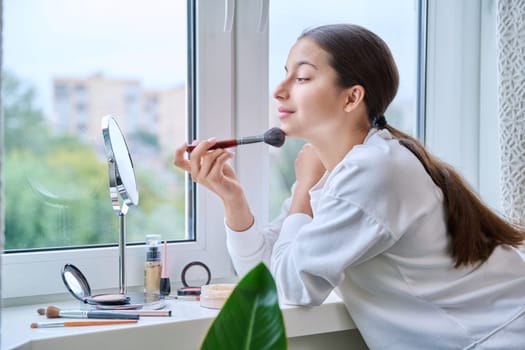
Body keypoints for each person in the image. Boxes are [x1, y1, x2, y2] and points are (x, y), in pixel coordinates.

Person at [174, 24, 525, 349]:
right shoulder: (345, 170)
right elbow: (267, 276)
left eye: (303, 78)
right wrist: (233, 199)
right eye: (285, 76)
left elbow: (293, 286)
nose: (279, 91)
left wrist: (303, 189)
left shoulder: (373, 171)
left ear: (351, 97)